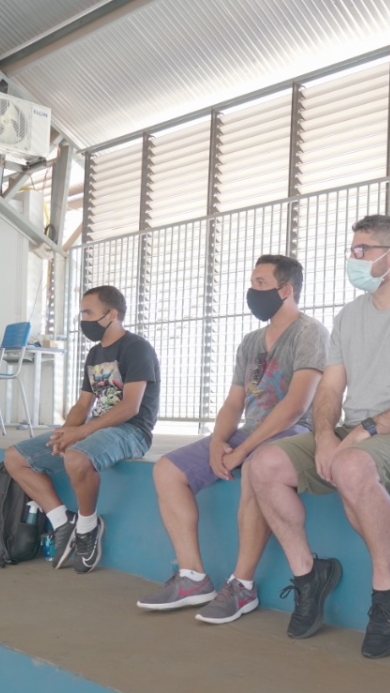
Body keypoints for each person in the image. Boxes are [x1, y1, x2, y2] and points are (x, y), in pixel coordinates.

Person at [247, 214, 390, 659]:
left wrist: (364, 431)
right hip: (357, 431)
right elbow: (330, 388)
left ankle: (389, 587)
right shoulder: (348, 317)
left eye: (362, 250)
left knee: (350, 465)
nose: (353, 258)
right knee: (264, 464)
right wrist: (326, 434)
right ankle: (309, 576)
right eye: (352, 250)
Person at [136, 255, 328, 623]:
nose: (252, 290)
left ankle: (242, 585)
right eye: (252, 282)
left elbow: (295, 406)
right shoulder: (251, 341)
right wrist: (216, 443)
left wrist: (242, 451)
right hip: (251, 432)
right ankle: (192, 577)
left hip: (295, 432)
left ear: (286, 290)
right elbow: (234, 402)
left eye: (260, 283)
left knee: (256, 468)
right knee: (167, 470)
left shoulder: (310, 333)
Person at [4, 285, 161, 575]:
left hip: (131, 431)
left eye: (88, 313)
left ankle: (88, 527)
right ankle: (63, 523)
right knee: (15, 458)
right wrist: (64, 433)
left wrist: (82, 433)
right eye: (82, 313)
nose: (83, 320)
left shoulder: (136, 348)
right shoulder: (95, 354)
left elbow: (131, 407)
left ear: (111, 314)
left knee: (76, 457)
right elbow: (83, 403)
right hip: (98, 429)